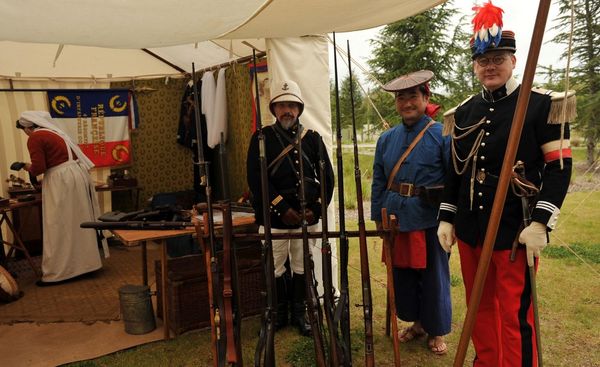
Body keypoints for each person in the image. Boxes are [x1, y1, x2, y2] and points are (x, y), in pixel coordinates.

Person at [437, 4, 573, 365]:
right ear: (474, 66)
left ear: (514, 61)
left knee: (514, 314)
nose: (490, 66)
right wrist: (447, 218)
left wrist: (542, 222)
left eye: (498, 57)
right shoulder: (462, 113)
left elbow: (560, 168)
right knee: (479, 308)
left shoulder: (541, 105)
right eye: (483, 60)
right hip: (471, 231)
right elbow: (454, 171)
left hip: (516, 230)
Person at [371, 70, 452, 355]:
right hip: (395, 216)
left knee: (433, 276)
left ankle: (436, 329)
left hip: (430, 218)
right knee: (403, 274)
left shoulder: (441, 134)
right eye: (401, 97)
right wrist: (377, 216)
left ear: (426, 97)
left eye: (413, 96)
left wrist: (450, 218)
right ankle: (417, 324)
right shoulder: (386, 139)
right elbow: (379, 179)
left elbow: (452, 178)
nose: (407, 102)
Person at [246, 80, 334, 336]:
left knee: (302, 265)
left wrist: (316, 209)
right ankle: (276, 314)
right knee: (273, 266)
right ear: (274, 109)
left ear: (299, 109)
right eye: (282, 105)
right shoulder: (261, 138)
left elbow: (327, 177)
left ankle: (300, 312)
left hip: (305, 216)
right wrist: (281, 207)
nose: (287, 110)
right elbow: (256, 178)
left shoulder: (312, 139)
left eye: (292, 105)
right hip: (275, 217)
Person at [13, 111, 108, 286]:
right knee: (77, 222)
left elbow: (39, 167)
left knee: (57, 224)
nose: (25, 133)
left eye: (24, 130)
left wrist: (25, 166)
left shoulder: (35, 137)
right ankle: (85, 264)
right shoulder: (56, 133)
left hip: (61, 180)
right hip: (74, 175)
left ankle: (58, 272)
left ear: (29, 127)